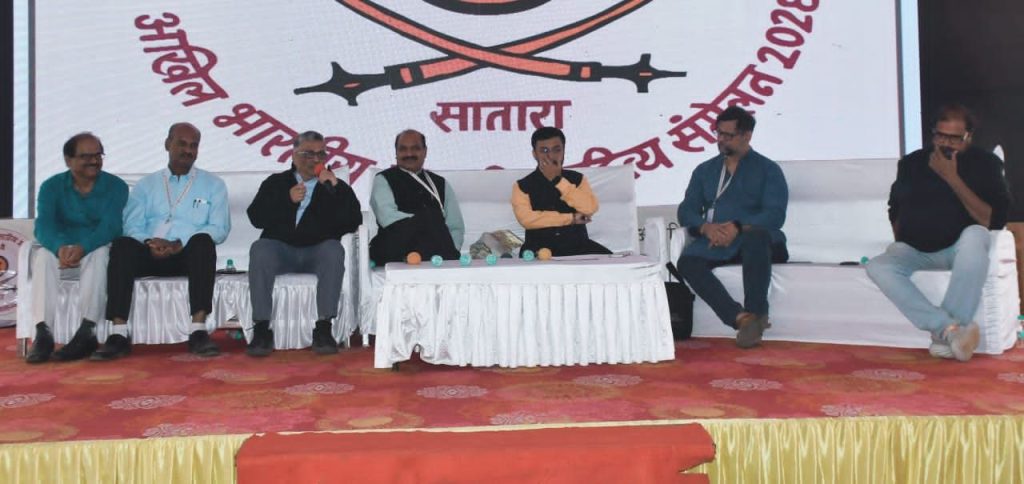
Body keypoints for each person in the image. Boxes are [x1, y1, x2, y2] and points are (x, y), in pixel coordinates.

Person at [866, 105, 1010, 362]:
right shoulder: (911, 163)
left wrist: (951, 177)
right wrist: (901, 235)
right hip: (914, 249)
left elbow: (993, 219)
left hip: (958, 247)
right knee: (877, 266)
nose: (945, 143)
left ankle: (947, 335)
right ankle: (949, 330)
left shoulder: (986, 164)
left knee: (976, 235)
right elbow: (894, 206)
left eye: (954, 138)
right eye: (940, 136)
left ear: (968, 136)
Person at [102, 122, 230, 360]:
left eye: (193, 145)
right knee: (122, 245)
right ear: (167, 144)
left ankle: (198, 331)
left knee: (203, 242)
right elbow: (132, 226)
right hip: (150, 253)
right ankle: (118, 333)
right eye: (182, 143)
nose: (188, 150)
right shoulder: (146, 185)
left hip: (186, 255)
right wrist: (150, 242)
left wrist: (179, 244)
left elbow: (220, 229)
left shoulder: (213, 185)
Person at [677, 106, 789, 348]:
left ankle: (757, 312)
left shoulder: (768, 170)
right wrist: (705, 228)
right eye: (718, 133)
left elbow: (775, 215)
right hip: (717, 241)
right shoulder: (705, 171)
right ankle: (741, 319)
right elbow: (686, 210)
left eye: (728, 135)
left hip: (758, 240)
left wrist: (738, 227)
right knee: (687, 261)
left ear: (747, 135)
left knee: (756, 238)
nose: (721, 140)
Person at [245, 131, 362, 357]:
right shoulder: (276, 182)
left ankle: (324, 328)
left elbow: (353, 221)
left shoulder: (334, 185)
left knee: (334, 250)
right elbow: (256, 217)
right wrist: (286, 200)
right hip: (281, 251)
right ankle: (261, 329)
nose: (315, 159)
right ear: (294, 155)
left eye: (321, 154)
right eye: (308, 154)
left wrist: (335, 190)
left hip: (317, 251)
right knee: (260, 249)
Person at [25, 132, 129, 363]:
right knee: (43, 256)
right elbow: (43, 225)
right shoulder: (51, 186)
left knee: (100, 254)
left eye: (98, 155)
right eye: (86, 156)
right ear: (68, 160)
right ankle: (43, 333)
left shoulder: (116, 186)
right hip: (62, 249)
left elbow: (111, 226)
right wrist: (59, 247)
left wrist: (83, 247)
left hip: (95, 246)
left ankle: (87, 331)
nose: (94, 161)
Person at [512, 126, 611, 257]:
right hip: (538, 249)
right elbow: (527, 220)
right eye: (544, 150)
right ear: (534, 154)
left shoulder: (578, 179)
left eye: (556, 150)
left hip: (578, 246)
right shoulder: (522, 186)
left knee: (614, 263)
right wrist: (571, 219)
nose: (551, 156)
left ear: (564, 151)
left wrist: (558, 181)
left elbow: (590, 208)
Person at [369, 129, 464, 264]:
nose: (409, 154)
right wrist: (428, 221)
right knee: (432, 217)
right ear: (396, 153)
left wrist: (451, 245)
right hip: (395, 245)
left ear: (425, 152)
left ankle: (443, 257)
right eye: (403, 149)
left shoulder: (441, 183)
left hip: (435, 248)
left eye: (415, 148)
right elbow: (387, 217)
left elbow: (455, 226)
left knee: (433, 220)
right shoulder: (383, 179)